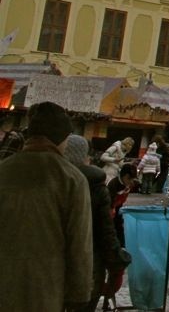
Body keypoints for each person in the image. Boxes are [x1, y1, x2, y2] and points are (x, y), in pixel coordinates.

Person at [0, 102, 94, 312]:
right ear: (59, 138)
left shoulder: (3, 170)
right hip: (45, 289)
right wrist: (79, 295)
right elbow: (80, 243)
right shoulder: (71, 178)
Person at [64, 135, 131, 312]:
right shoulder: (96, 187)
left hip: (50, 271)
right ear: (84, 156)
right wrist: (117, 264)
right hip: (88, 269)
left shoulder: (50, 182)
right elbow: (105, 232)